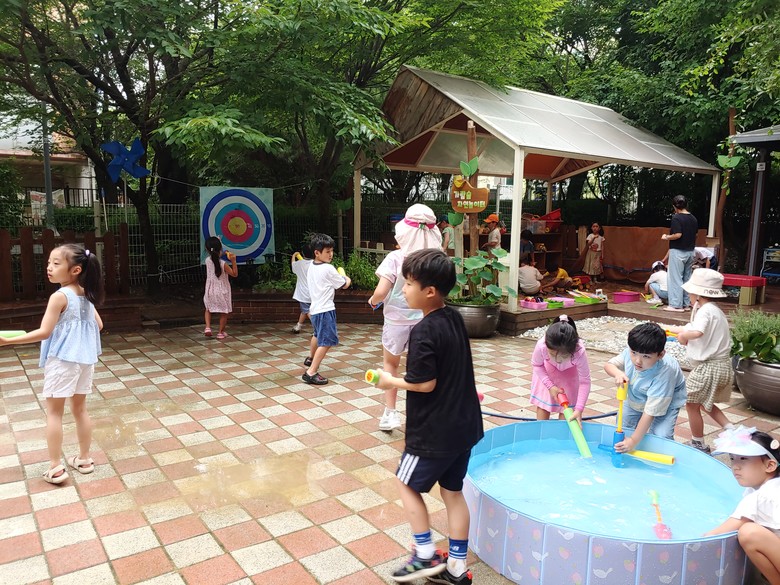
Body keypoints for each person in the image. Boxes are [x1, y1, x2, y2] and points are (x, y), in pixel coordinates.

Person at [374, 248, 483, 585]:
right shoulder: (454, 318)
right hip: (464, 427)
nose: (403, 289)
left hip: (434, 432)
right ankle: (456, 568)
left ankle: (424, 554)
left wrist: (389, 381)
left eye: (408, 284)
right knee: (452, 492)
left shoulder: (422, 331)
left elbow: (424, 383)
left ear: (430, 291)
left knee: (406, 483)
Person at [0, 244, 104, 484]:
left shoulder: (59, 296)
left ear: (76, 269)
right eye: (49, 262)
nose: (49, 267)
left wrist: (7, 341)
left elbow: (44, 332)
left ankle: (56, 468)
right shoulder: (87, 295)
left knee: (54, 413)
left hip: (63, 361)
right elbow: (98, 326)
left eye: (56, 263)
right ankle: (84, 459)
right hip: (85, 361)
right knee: (80, 410)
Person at [368, 204, 442, 432]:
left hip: (396, 321)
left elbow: (381, 292)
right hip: (426, 321)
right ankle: (426, 415)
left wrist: (373, 300)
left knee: (391, 364)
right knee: (423, 366)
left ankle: (390, 413)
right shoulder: (435, 261)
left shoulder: (395, 258)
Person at [667, 269, 734, 453]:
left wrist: (683, 338)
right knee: (704, 403)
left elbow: (697, 332)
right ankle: (732, 430)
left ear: (698, 294)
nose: (688, 295)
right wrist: (669, 329)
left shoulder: (705, 311)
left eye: (690, 292)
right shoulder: (715, 311)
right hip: (720, 366)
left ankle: (698, 443)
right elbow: (691, 328)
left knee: (690, 403)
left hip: (708, 367)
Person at [705, 426, 780, 585]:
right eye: (732, 459)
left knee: (748, 533)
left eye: (744, 459)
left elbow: (718, 533)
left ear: (770, 466)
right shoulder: (769, 486)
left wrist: (692, 541)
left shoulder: (761, 496)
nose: (735, 466)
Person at [603, 322, 686, 450]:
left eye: (646, 356)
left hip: (667, 399)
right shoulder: (632, 351)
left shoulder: (665, 372)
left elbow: (650, 412)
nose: (638, 361)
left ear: (660, 355)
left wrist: (633, 441)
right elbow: (609, 365)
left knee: (661, 435)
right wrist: (618, 373)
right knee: (625, 426)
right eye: (634, 353)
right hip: (637, 395)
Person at [303, 233, 351, 385]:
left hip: (315, 310)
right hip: (325, 310)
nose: (331, 254)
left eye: (331, 251)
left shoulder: (311, 266)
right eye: (327, 251)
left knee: (317, 335)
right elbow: (343, 285)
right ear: (317, 253)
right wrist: (347, 278)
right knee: (327, 341)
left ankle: (311, 359)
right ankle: (311, 372)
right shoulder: (328, 269)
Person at [530, 315, 591, 423]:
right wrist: (550, 386)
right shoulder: (542, 345)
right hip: (547, 375)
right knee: (544, 405)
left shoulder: (579, 351)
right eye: (552, 354)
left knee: (567, 414)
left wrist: (579, 409)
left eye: (564, 356)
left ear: (572, 350)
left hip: (569, 378)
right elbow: (537, 365)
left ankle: (563, 432)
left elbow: (585, 381)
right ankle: (542, 430)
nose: (557, 360)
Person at [661, 195, 697, 312]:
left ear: (674, 207)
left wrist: (666, 237)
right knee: (687, 279)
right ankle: (686, 304)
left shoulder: (676, 218)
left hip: (678, 251)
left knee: (675, 278)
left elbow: (678, 235)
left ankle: (676, 305)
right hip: (690, 252)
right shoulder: (693, 218)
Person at [203, 236, 238, 340]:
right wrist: (233, 260)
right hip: (222, 291)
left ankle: (208, 327)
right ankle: (220, 332)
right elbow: (234, 274)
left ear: (207, 250)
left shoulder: (207, 261)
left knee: (208, 309)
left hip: (210, 290)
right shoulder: (223, 264)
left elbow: (214, 257)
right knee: (224, 312)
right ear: (220, 248)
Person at [291, 244, 313, 334]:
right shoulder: (316, 264)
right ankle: (298, 326)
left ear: (303, 253)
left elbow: (293, 266)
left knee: (306, 310)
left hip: (303, 294)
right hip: (314, 292)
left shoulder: (299, 264)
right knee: (305, 310)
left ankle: (318, 328)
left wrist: (294, 255)